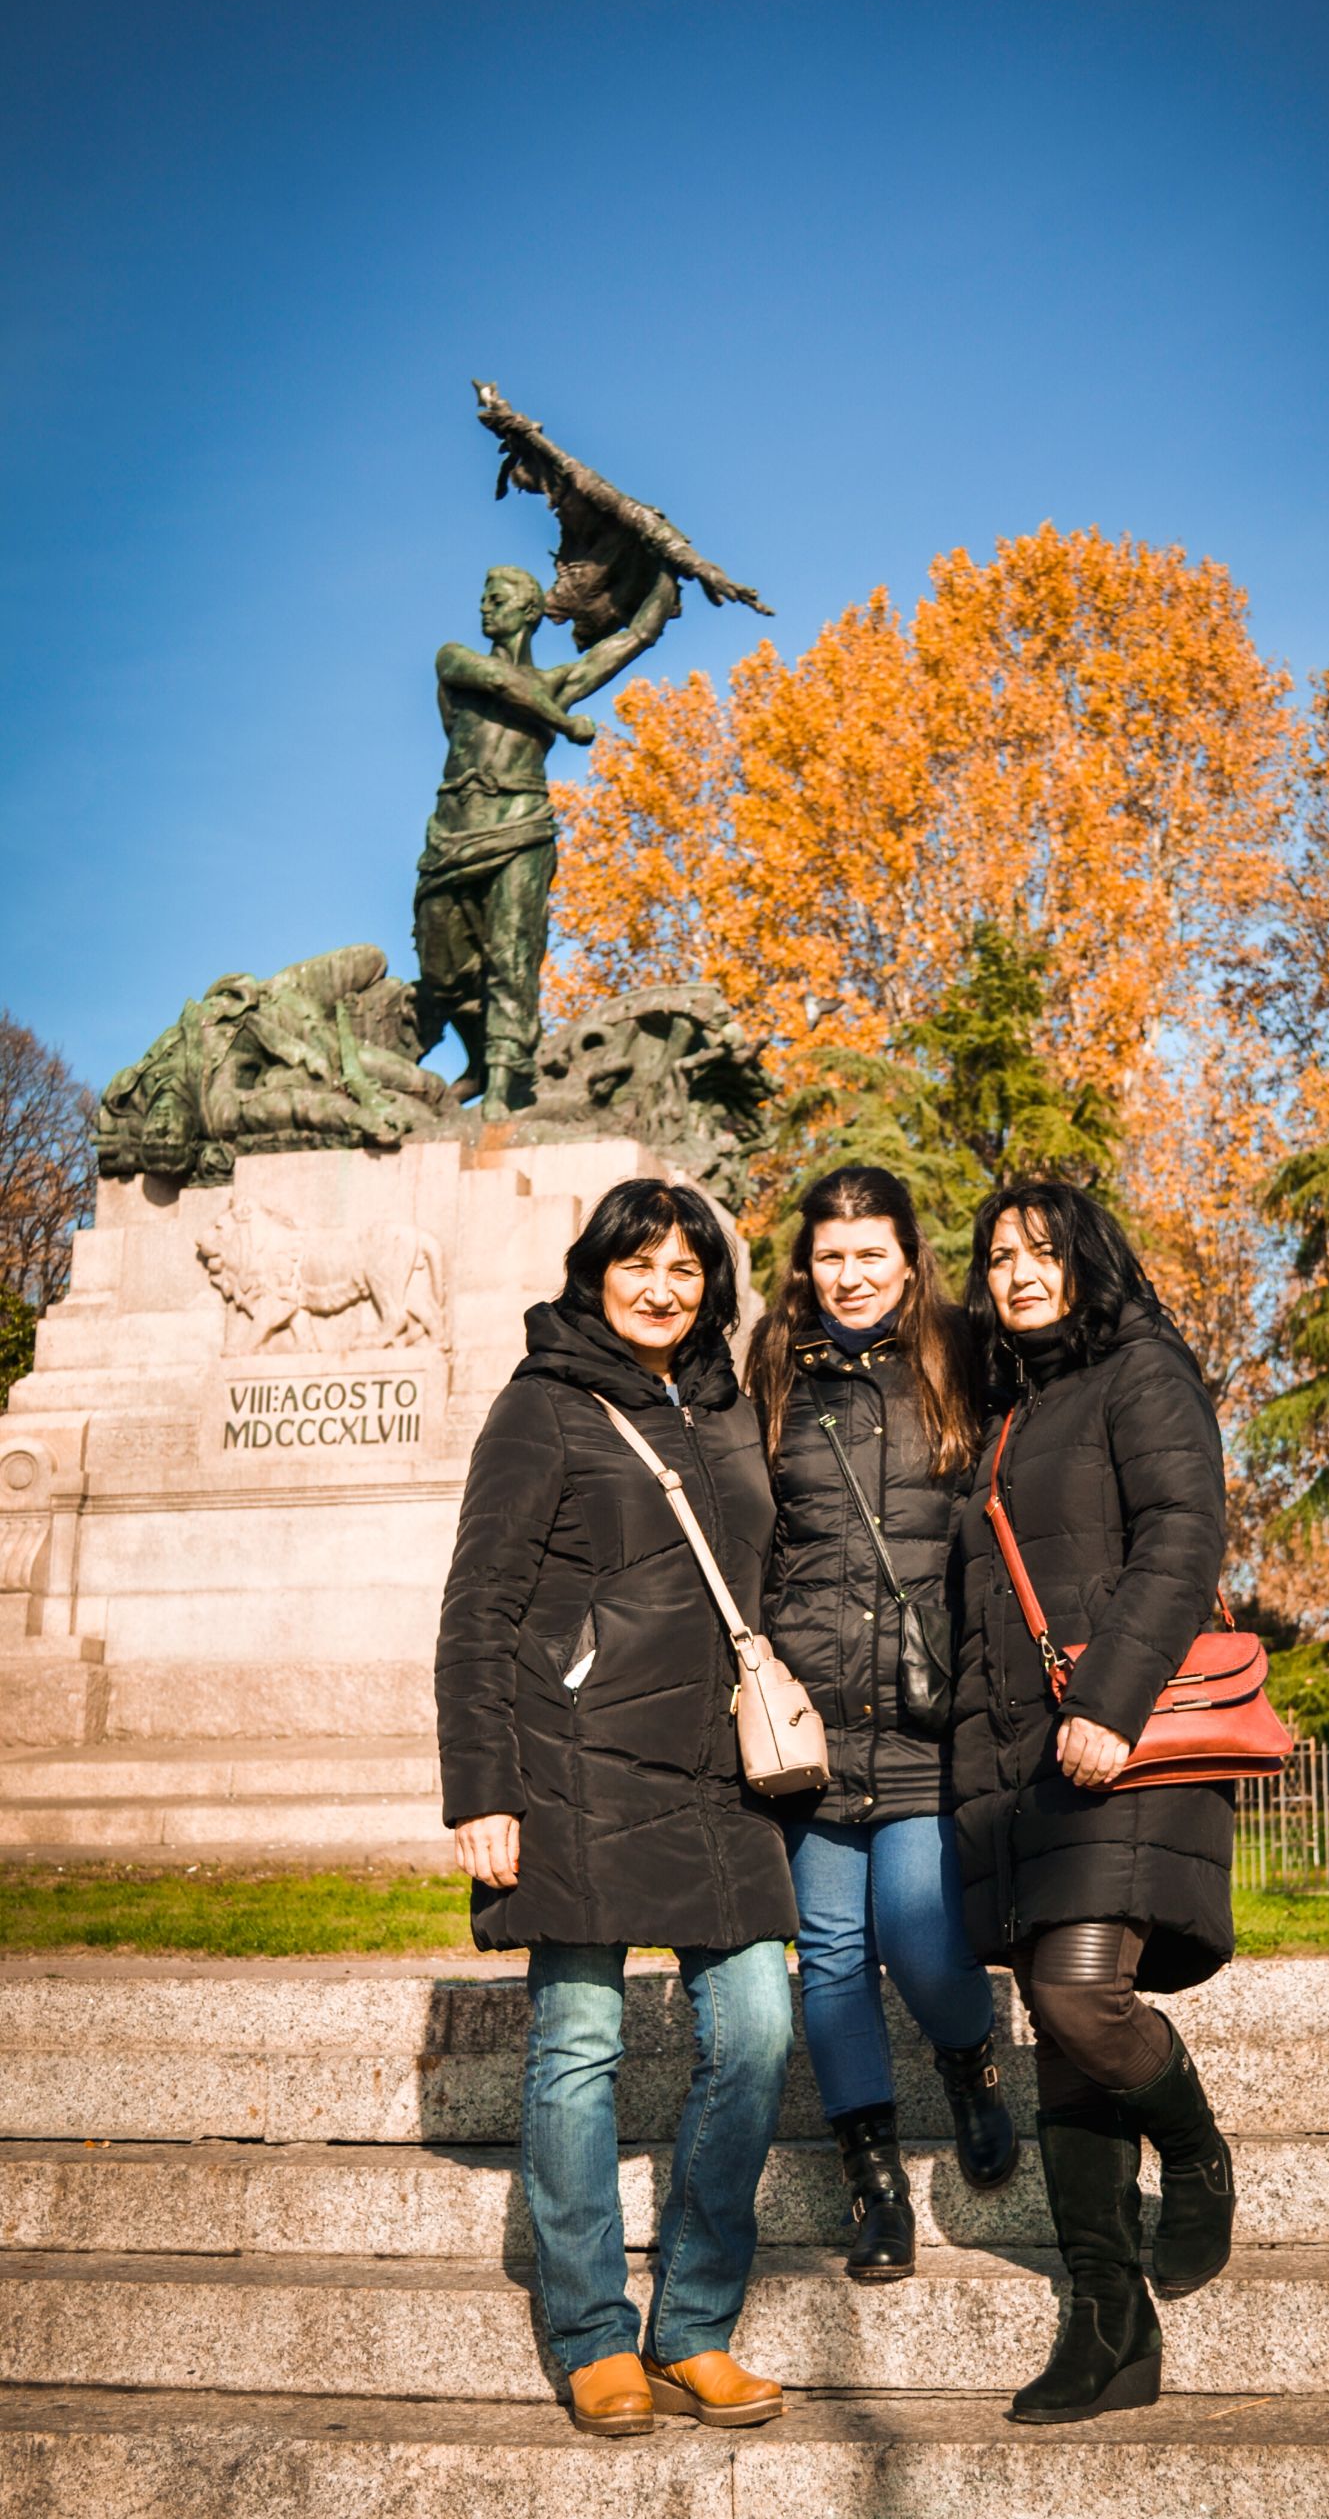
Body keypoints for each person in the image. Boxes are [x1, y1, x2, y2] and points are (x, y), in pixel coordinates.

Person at [435, 1177, 795, 2438]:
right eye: (638, 1263)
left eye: (686, 1269)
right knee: (577, 2043)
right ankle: (593, 2333)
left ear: (711, 1288)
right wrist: (480, 1788)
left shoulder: (728, 1406)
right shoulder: (541, 1405)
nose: (661, 1287)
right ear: (594, 1271)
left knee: (757, 2029)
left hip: (717, 1772)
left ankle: (690, 2323)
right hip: (573, 1761)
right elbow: (477, 1606)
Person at [952, 1181, 1235, 2424]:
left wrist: (1110, 1700)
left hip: (1121, 1739)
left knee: (1077, 1994)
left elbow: (1182, 1535)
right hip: (1019, 1766)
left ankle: (1194, 2146)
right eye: (996, 1255)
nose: (1017, 1271)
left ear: (1087, 1259)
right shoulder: (1005, 1408)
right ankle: (1107, 2325)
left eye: (1041, 1250)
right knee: (1060, 2039)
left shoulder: (1141, 1370)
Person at [745, 1165, 1018, 2283]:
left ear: (908, 1259)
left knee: (914, 1927)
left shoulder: (963, 1355)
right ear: (803, 1265)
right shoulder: (772, 1364)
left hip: (922, 1711)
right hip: (812, 1717)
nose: (849, 1275)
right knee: (831, 1955)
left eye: (870, 1254)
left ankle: (970, 2061)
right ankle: (876, 2185)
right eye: (830, 1255)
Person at [413, 562, 677, 1116]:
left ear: (529, 610)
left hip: (524, 825)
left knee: (513, 953)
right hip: (454, 832)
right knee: (442, 971)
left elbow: (633, 639)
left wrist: (665, 576)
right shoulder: (454, 660)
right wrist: (565, 723)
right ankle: (481, 1063)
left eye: (498, 599)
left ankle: (504, 1079)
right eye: (485, 598)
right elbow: (501, 683)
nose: (485, 606)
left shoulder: (555, 680)